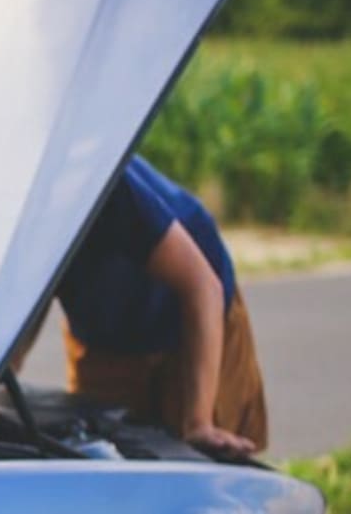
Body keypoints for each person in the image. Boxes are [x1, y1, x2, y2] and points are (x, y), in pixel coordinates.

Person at [27, 155, 268, 457]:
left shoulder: (103, 183)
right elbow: (25, 303)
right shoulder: (8, 211)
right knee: (101, 455)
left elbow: (202, 288)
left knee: (203, 457)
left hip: (193, 315)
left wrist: (199, 422)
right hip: (105, 333)